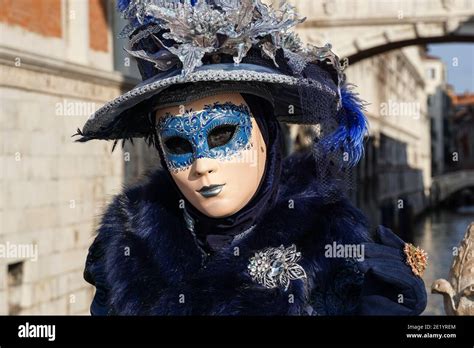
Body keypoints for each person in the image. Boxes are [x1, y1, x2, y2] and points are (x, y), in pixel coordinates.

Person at [75, 0, 427, 315]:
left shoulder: (332, 250)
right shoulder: (128, 248)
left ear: (267, 136)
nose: (202, 165)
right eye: (179, 145)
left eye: (223, 134)